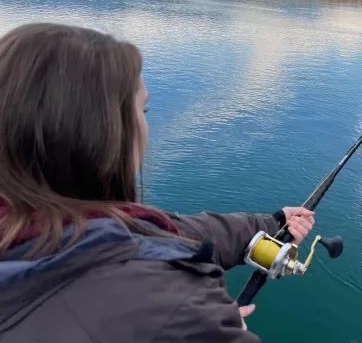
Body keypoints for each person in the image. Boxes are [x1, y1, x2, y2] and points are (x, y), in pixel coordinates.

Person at [0, 23, 315, 342]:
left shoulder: (24, 223)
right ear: (103, 136)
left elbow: (162, 232)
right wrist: (217, 326)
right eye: (143, 110)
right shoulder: (172, 309)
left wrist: (271, 224)